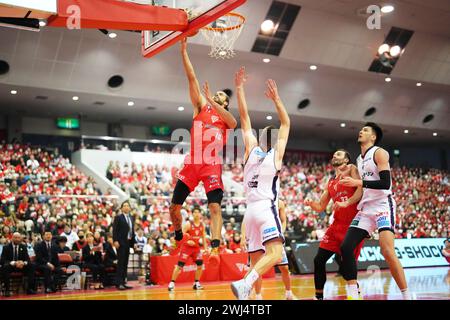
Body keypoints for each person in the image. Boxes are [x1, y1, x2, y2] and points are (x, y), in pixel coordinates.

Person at [169, 38, 237, 256]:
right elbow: (192, 78)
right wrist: (183, 52)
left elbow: (235, 123)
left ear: (225, 103)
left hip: (211, 163)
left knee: (215, 207)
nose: (216, 95)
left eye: (221, 96)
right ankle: (178, 234)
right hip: (192, 161)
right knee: (174, 208)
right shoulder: (201, 107)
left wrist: (215, 102)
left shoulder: (226, 120)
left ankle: (216, 248)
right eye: (215, 94)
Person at [231, 67, 290, 300]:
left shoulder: (250, 150)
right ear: (274, 140)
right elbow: (286, 124)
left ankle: (250, 297)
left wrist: (239, 87)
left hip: (250, 212)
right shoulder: (275, 155)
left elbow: (244, 118)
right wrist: (277, 100)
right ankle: (245, 284)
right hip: (266, 208)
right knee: (275, 254)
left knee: (257, 258)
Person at [339, 122, 411, 300]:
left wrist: (358, 182)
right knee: (346, 247)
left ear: (373, 137)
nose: (360, 131)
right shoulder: (358, 159)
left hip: (382, 205)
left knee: (387, 251)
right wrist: (347, 202)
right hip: (366, 207)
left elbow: (385, 183)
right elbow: (362, 189)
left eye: (365, 130)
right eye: (361, 129)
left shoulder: (379, 153)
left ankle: (406, 295)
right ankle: (353, 293)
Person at [303, 149, 364, 300]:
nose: (334, 156)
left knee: (346, 262)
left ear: (346, 160)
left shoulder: (352, 169)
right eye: (334, 154)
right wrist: (311, 203)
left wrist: (347, 202)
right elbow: (321, 207)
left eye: (338, 154)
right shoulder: (331, 182)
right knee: (319, 260)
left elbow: (361, 190)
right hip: (335, 226)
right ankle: (318, 296)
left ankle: (354, 292)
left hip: (352, 226)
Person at [242, 200, 296, 300]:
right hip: (258, 237)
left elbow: (283, 221)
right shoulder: (256, 201)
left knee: (284, 268)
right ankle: (257, 295)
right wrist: (243, 236)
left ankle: (289, 292)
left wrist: (280, 232)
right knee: (256, 266)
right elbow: (246, 220)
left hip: (273, 235)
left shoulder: (279, 202)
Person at [168, 207, 207, 291]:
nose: (196, 214)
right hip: (187, 248)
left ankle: (196, 283)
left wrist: (206, 248)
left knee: (200, 265)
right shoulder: (189, 224)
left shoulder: (202, 225)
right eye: (195, 212)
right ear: (192, 214)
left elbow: (203, 237)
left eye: (198, 212)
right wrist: (188, 241)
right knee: (179, 266)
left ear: (200, 214)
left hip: (196, 248)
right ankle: (172, 283)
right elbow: (180, 235)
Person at [0, 232, 36, 297]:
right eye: (15, 237)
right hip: (11, 266)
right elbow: (3, 260)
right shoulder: (6, 247)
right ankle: (7, 290)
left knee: (32, 265)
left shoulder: (23, 246)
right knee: (5, 266)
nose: (17, 239)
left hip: (21, 266)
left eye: (18, 238)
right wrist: (14, 263)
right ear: (12, 238)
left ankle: (30, 289)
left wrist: (23, 263)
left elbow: (27, 259)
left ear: (20, 239)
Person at [112, 200, 135, 290]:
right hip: (120, 242)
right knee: (121, 263)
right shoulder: (118, 217)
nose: (126, 207)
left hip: (128, 243)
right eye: (124, 206)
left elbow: (132, 232)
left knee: (125, 263)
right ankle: (119, 283)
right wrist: (115, 240)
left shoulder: (131, 218)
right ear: (121, 208)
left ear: (129, 208)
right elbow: (114, 230)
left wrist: (133, 243)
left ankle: (123, 282)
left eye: (127, 206)